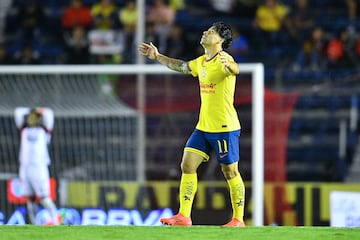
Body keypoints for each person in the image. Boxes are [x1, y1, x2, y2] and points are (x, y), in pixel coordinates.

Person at [138, 22, 246, 227]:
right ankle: (184, 216)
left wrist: (230, 65)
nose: (205, 32)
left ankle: (238, 219)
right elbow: (181, 66)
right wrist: (157, 56)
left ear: (220, 41)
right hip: (203, 127)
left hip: (225, 127)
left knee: (230, 172)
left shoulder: (225, 60)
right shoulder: (202, 62)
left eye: (211, 31)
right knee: (187, 164)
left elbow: (235, 69)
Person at [14, 107, 59, 225]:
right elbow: (17, 112)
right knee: (29, 198)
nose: (31, 119)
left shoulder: (44, 131)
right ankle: (35, 225)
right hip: (24, 168)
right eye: (30, 117)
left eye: (34, 117)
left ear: (39, 119)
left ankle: (56, 221)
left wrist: (40, 110)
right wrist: (30, 110)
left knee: (44, 198)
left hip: (39, 168)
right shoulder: (24, 130)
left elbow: (49, 114)